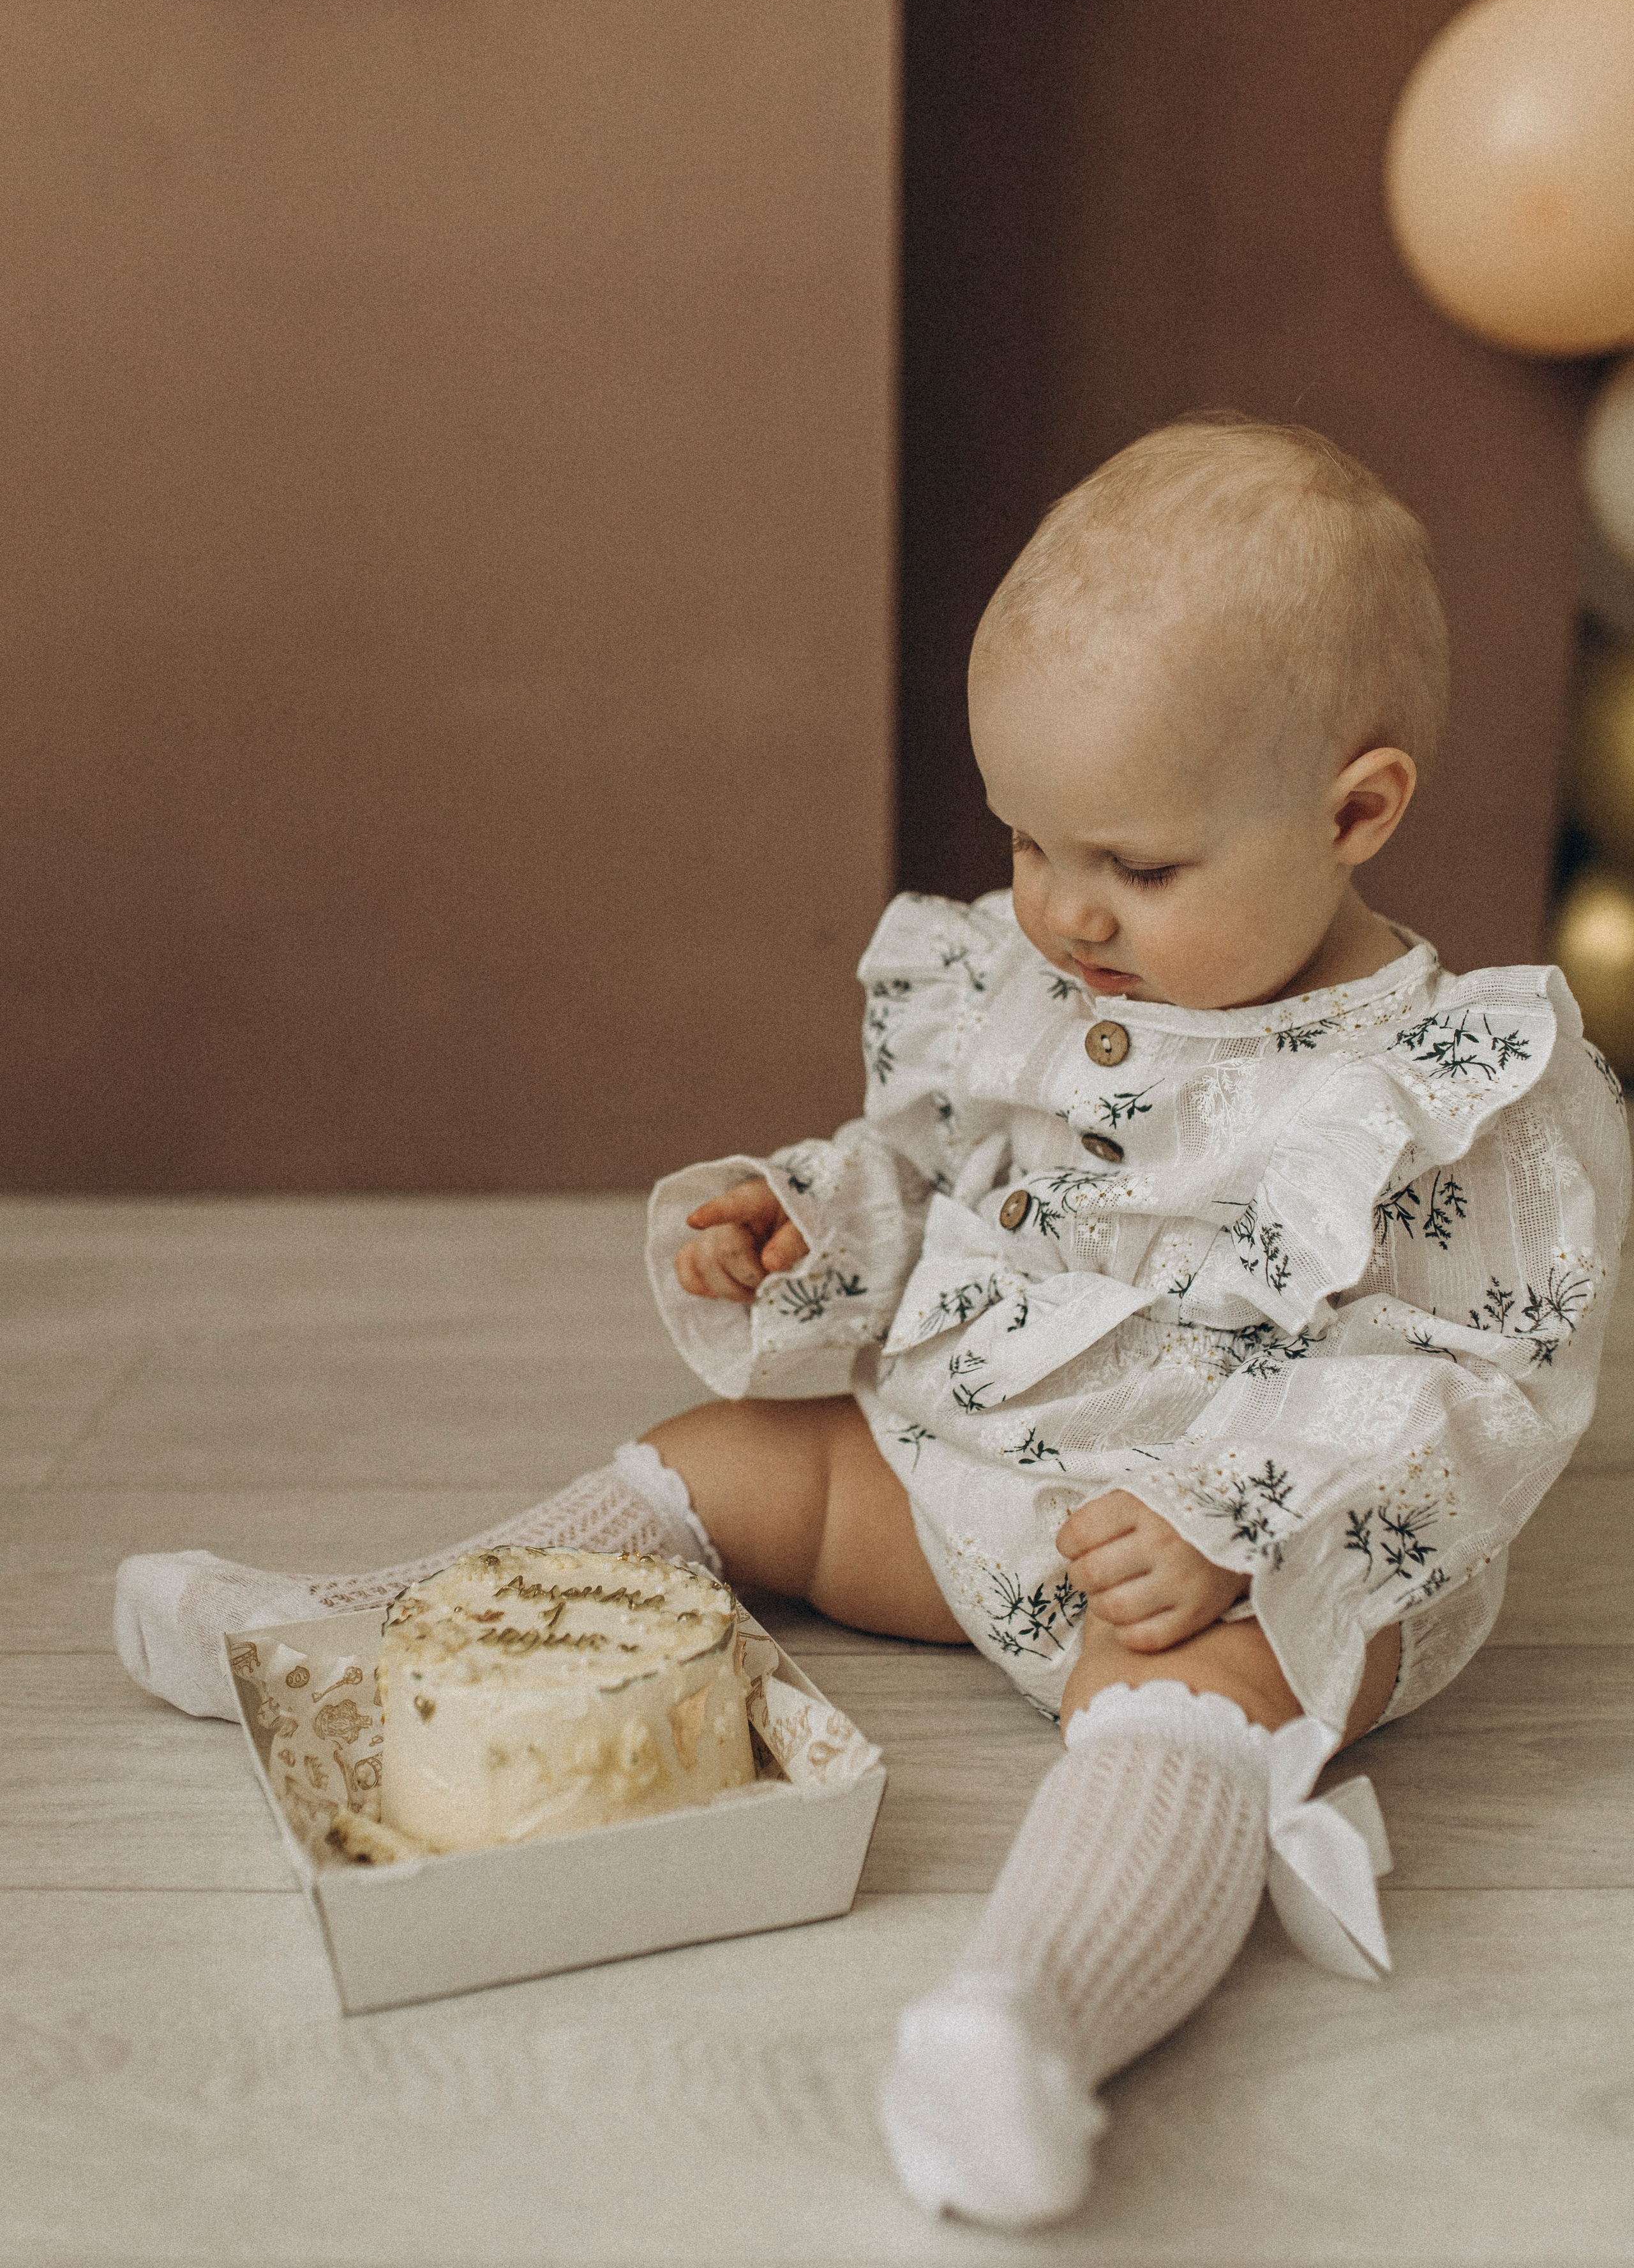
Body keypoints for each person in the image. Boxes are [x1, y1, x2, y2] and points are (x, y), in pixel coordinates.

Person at [116, 417, 1630, 2228]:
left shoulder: (1453, 1081)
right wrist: (804, 1228)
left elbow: (1487, 1385)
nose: (1065, 909)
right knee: (751, 1465)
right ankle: (357, 1638)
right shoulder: (1031, 970)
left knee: (1205, 1682)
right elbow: (924, 1178)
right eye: (1025, 840)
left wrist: (1239, 1523)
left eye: (1136, 868)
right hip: (976, 1477)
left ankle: (1033, 2015)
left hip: (1242, 1562)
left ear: (1356, 811)